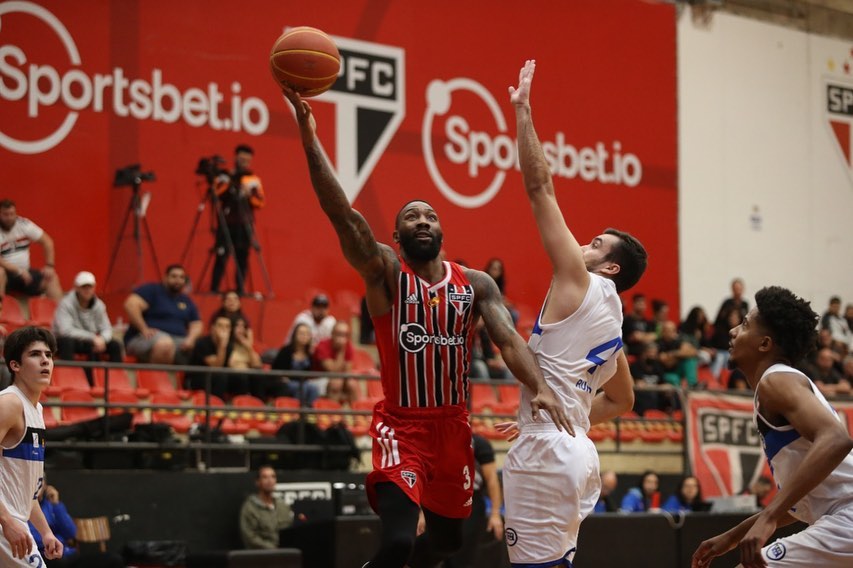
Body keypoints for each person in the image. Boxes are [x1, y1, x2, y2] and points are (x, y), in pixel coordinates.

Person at [283, 84, 572, 568]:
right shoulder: (386, 274)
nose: (422, 220)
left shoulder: (475, 284)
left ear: (441, 232)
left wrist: (539, 385)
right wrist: (310, 137)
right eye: (411, 217)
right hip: (403, 425)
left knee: (447, 545)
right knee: (397, 542)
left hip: (454, 429)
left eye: (431, 216)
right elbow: (341, 214)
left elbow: (507, 339)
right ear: (396, 236)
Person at [495, 60, 646, 567]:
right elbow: (624, 398)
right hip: (576, 449)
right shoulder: (614, 318)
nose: (584, 243)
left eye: (596, 243)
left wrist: (522, 112)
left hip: (548, 453)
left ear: (611, 266)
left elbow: (540, 189)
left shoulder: (580, 282)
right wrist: (570, 420)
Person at [692, 286, 853, 568]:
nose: (732, 331)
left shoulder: (775, 380)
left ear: (764, 344)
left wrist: (767, 517)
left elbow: (837, 438)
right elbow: (803, 501)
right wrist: (732, 536)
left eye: (744, 325)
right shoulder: (781, 385)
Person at [0, 327, 63, 565]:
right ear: (15, 365)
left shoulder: (36, 410)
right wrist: (6, 521)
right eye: (35, 354)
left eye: (48, 355)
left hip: (15, 520)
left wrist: (45, 531)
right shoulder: (9, 403)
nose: (45, 360)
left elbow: (27, 491)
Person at [442, 433, 504, 568]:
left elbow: (492, 479)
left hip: (470, 502)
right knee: (440, 553)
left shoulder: (479, 443)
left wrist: (495, 513)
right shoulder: (439, 439)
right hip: (442, 501)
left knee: (463, 555)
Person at [210, 144, 266, 296]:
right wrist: (229, 184)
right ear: (235, 158)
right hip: (226, 223)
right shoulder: (226, 175)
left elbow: (260, 202)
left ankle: (240, 290)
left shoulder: (253, 179)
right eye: (241, 158)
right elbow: (216, 193)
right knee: (221, 254)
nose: (244, 161)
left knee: (242, 257)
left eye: (247, 159)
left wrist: (249, 195)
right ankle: (214, 288)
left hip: (244, 224)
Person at [28, 481, 124, 568]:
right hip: (47, 555)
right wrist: (51, 541)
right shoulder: (27, 509)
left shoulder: (52, 504)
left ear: (45, 486)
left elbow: (71, 533)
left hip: (69, 554)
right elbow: (33, 538)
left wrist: (56, 505)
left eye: (41, 481)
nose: (39, 485)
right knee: (59, 562)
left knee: (114, 560)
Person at [123, 264, 202, 365]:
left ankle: (192, 381)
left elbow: (196, 324)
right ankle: (156, 380)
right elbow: (131, 305)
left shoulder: (186, 300)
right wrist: (143, 328)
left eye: (181, 277)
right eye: (174, 276)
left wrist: (191, 339)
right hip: (145, 339)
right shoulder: (152, 290)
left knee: (203, 349)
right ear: (165, 278)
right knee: (165, 344)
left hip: (178, 340)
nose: (178, 280)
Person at [53, 271, 123, 377]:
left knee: (115, 345)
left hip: (89, 341)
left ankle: (115, 380)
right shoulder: (65, 304)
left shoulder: (99, 305)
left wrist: (102, 339)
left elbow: (107, 328)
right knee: (67, 342)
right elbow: (65, 331)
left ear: (94, 287)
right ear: (76, 288)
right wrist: (92, 337)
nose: (87, 290)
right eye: (83, 287)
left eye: (90, 287)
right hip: (67, 341)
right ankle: (68, 378)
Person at [0, 199, 62, 300]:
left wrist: (49, 265)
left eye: (12, 214)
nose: (9, 218)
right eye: (5, 215)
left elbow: (47, 242)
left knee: (51, 278)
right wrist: (18, 271)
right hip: (6, 276)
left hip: (26, 274)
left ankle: (63, 314)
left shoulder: (24, 225)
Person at [187, 315, 247, 400]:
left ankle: (241, 406)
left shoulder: (229, 345)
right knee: (220, 376)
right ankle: (217, 408)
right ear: (213, 328)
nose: (224, 329)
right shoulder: (202, 343)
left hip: (218, 377)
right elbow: (216, 366)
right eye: (220, 325)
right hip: (198, 377)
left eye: (227, 327)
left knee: (240, 377)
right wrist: (222, 345)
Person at [239, 465, 293, 550]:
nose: (270, 481)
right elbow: (250, 537)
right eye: (265, 477)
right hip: (262, 556)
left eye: (273, 477)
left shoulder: (282, 505)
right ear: (257, 482)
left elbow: (291, 530)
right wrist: (273, 549)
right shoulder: (250, 508)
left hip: (286, 554)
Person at [271, 323, 321, 406]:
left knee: (314, 388)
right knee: (302, 387)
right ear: (295, 335)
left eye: (307, 334)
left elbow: (311, 372)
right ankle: (297, 412)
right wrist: (281, 377)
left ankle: (310, 412)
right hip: (287, 381)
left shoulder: (309, 353)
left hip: (303, 381)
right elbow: (275, 369)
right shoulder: (286, 351)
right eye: (301, 333)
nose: (304, 336)